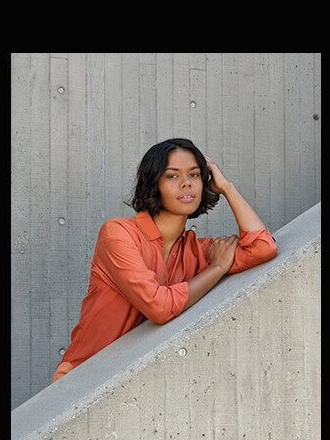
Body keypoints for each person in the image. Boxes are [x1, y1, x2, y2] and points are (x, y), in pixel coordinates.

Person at [52, 138, 279, 383]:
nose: (186, 183)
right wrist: (217, 268)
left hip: (141, 384)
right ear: (153, 184)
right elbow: (159, 306)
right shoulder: (118, 234)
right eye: (172, 176)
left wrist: (226, 187)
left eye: (194, 175)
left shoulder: (195, 250)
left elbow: (263, 247)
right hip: (81, 382)